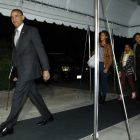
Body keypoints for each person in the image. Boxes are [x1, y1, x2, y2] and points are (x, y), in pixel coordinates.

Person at [0, 9, 53, 137]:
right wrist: (15, 71)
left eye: (16, 16)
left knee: (17, 96)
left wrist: (46, 69)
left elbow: (40, 49)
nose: (14, 19)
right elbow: (15, 54)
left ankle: (9, 125)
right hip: (21, 69)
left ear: (23, 17)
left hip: (29, 69)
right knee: (34, 94)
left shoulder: (31, 30)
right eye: (12, 17)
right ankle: (47, 115)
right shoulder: (14, 34)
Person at [92, 30, 113, 104]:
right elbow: (92, 54)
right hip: (97, 65)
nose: (101, 36)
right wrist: (96, 48)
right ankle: (99, 95)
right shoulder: (99, 44)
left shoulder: (108, 46)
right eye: (101, 35)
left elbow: (111, 58)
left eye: (103, 35)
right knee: (95, 81)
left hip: (103, 65)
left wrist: (107, 68)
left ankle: (104, 97)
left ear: (106, 37)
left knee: (104, 82)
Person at [133, 33, 140, 103]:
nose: (137, 39)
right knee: (139, 81)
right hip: (137, 66)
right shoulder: (135, 46)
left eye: (139, 37)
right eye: (136, 37)